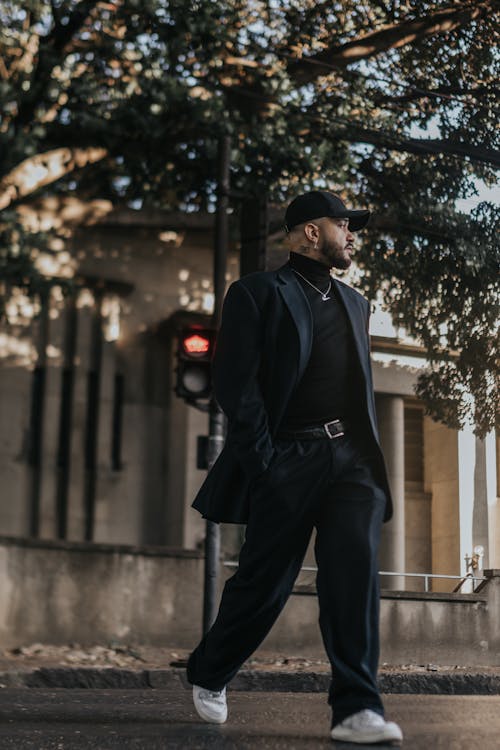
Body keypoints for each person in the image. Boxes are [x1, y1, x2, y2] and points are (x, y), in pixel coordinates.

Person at [186, 190, 403, 745]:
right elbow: (237, 385)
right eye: (345, 224)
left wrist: (365, 459)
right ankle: (210, 671)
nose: (352, 234)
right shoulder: (257, 293)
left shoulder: (356, 303)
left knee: (352, 576)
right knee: (266, 583)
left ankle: (357, 708)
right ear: (311, 231)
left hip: (351, 460)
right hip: (289, 456)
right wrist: (266, 462)